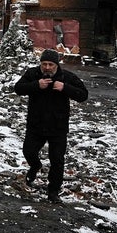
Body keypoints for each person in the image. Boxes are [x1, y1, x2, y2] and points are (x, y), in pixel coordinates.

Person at [13, 48, 88, 203]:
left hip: (58, 127)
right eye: (44, 64)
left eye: (50, 64)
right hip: (36, 124)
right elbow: (18, 89)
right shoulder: (33, 74)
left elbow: (83, 95)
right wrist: (35, 85)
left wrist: (65, 88)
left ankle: (53, 192)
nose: (47, 67)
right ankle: (35, 166)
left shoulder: (66, 77)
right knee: (28, 151)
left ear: (56, 65)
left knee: (57, 160)